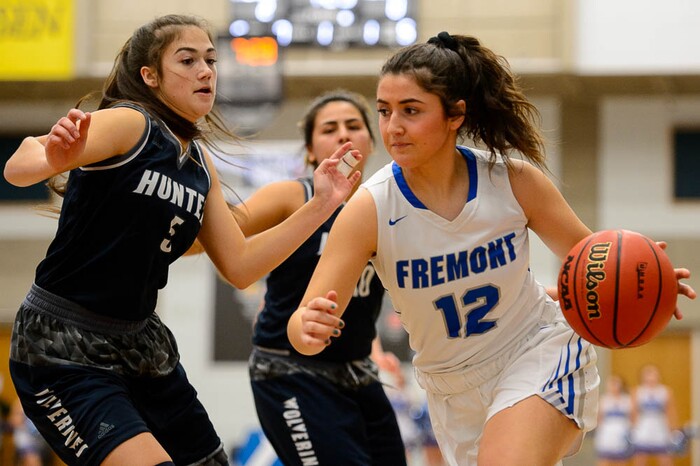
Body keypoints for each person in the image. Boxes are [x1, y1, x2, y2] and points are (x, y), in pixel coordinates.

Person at [286, 31, 697, 466]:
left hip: (534, 349)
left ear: (455, 115)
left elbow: (592, 259)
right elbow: (302, 327)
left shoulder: (513, 181)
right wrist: (307, 328)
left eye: (411, 111)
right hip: (451, 387)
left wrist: (645, 278)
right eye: (385, 111)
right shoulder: (369, 208)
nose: (393, 127)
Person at [2, 15, 361, 466]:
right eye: (187, 60)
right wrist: (51, 157)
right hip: (63, 345)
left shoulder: (199, 162)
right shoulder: (131, 123)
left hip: (140, 341)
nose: (206, 71)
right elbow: (19, 163)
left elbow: (241, 265)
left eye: (210, 60)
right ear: (150, 77)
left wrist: (321, 204)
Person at [241, 90, 407, 465]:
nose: (343, 135)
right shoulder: (291, 196)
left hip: (357, 367)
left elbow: (357, 297)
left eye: (354, 126)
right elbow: (224, 232)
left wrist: (377, 352)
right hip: (289, 369)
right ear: (311, 151)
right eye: (329, 129)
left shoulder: (384, 207)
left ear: (370, 140)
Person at [631, 364, 678, 466]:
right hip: (643, 426)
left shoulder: (666, 391)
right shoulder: (637, 391)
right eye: (648, 373)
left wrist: (673, 430)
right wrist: (632, 429)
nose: (651, 376)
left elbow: (670, 412)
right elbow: (633, 412)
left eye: (653, 373)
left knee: (665, 457)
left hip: (660, 426)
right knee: (640, 457)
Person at [594, 375, 634, 466]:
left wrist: (630, 432)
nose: (613, 386)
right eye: (611, 383)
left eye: (616, 383)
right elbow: (599, 418)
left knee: (621, 460)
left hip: (622, 432)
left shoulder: (627, 400)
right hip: (606, 433)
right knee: (604, 459)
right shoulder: (603, 400)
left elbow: (632, 417)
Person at [8, 398, 51, 466]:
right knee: (31, 457)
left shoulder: (45, 399)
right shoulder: (21, 401)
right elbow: (13, 421)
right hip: (26, 439)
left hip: (43, 441)